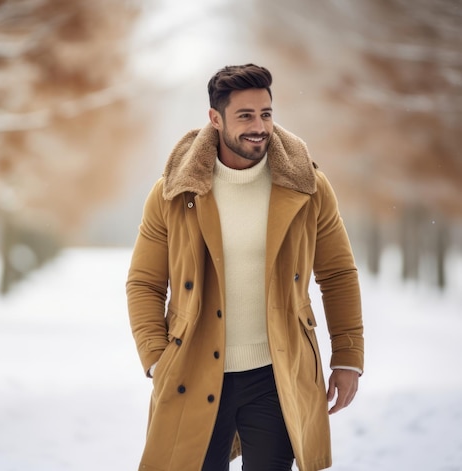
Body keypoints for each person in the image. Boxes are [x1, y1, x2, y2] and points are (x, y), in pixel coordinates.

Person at [126, 63, 364, 471]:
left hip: (277, 372)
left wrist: (347, 357)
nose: (260, 126)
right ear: (215, 119)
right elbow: (145, 282)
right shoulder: (172, 191)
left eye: (266, 114)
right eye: (246, 116)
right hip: (194, 369)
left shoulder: (307, 184)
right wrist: (155, 356)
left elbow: (338, 274)